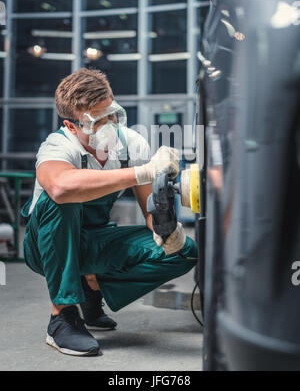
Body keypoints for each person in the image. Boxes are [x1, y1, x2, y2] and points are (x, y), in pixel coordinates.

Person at [22, 68, 198, 356]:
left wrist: (166, 230)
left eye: (111, 114)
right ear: (71, 126)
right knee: (60, 201)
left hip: (95, 240)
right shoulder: (58, 145)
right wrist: (143, 171)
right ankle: (62, 318)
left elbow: (148, 212)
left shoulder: (131, 143)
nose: (109, 125)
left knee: (186, 251)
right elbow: (60, 187)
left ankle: (92, 286)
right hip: (47, 248)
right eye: (96, 120)